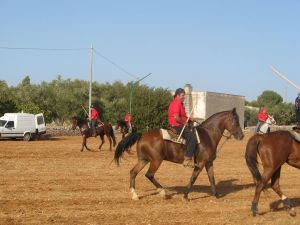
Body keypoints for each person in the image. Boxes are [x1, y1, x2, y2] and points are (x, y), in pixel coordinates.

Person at [168, 88, 197, 168]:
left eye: (184, 95)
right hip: (177, 125)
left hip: (180, 124)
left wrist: (190, 119)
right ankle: (187, 159)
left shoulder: (180, 104)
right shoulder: (176, 103)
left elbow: (183, 116)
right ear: (177, 95)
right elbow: (176, 117)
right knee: (192, 138)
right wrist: (185, 123)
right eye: (182, 95)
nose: (184, 97)